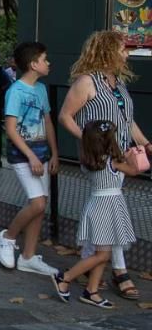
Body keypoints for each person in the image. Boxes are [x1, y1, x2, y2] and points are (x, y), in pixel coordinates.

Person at [57, 30, 147, 300]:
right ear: (108, 50)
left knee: (110, 205)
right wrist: (88, 141)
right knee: (110, 204)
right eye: (122, 49)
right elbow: (66, 116)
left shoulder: (117, 84)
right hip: (100, 157)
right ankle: (117, 270)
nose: (126, 54)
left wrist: (146, 143)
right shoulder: (87, 82)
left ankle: (92, 260)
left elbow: (128, 121)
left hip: (117, 154)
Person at [52, 120, 138, 308]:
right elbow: (134, 170)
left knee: (103, 253)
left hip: (97, 206)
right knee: (101, 255)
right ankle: (64, 277)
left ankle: (91, 291)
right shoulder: (113, 161)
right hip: (108, 208)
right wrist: (132, 155)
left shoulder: (90, 161)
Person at [0, 41, 61, 276]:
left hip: (41, 154)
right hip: (23, 157)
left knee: (40, 207)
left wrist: (54, 153)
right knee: (38, 203)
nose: (48, 63)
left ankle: (28, 256)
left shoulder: (41, 90)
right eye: (44, 59)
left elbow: (47, 122)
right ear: (33, 64)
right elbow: (11, 129)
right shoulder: (15, 92)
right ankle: (8, 237)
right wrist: (32, 156)